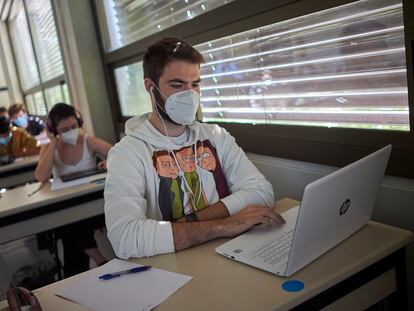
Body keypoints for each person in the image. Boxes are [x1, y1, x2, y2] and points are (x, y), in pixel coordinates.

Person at [104, 37, 285, 259]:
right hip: (172, 269)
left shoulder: (215, 135)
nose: (190, 95)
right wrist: (223, 225)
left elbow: (261, 191)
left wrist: (192, 222)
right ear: (150, 87)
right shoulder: (127, 153)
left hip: (228, 254)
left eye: (195, 84)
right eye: (177, 85)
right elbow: (125, 238)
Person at [34, 103, 112, 276]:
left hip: (95, 205)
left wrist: (109, 162)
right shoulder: (49, 148)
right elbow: (41, 177)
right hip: (69, 207)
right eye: (64, 129)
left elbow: (119, 153)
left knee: (70, 229)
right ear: (54, 131)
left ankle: (95, 265)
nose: (71, 131)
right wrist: (53, 143)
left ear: (79, 124)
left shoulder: (88, 141)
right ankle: (101, 261)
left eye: (74, 126)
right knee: (69, 223)